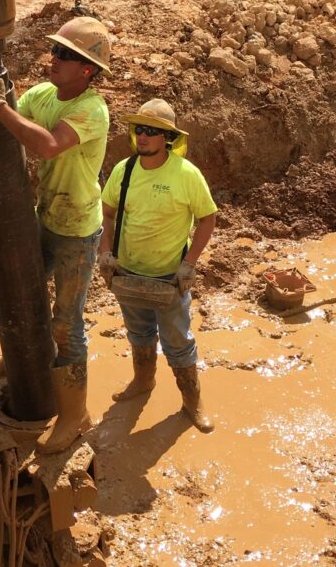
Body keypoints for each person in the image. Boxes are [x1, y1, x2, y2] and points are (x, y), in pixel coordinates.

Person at [0, 17, 111, 454]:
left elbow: (46, 145)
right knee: (27, 290)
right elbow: (8, 114)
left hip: (77, 229)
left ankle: (75, 415)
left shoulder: (91, 110)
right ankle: (19, 362)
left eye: (65, 55)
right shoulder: (45, 95)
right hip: (49, 215)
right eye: (55, 51)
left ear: (87, 70)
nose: (53, 59)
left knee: (66, 323)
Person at [98, 98, 217, 433]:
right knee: (138, 332)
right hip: (128, 273)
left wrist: (189, 264)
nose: (144, 136)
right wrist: (105, 252)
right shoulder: (124, 171)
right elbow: (107, 213)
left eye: (152, 131)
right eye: (139, 129)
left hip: (169, 278)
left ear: (168, 138)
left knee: (178, 342)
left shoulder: (186, 175)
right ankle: (143, 381)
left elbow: (207, 219)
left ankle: (193, 402)